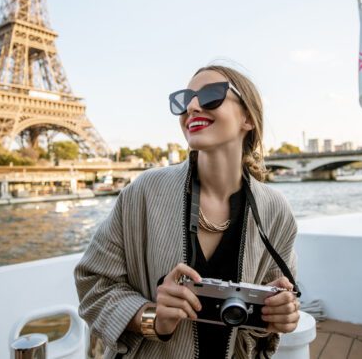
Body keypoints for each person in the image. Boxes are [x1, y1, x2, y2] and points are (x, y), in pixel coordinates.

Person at [75, 65, 300, 359]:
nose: (192, 107)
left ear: (248, 117)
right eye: (184, 99)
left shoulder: (275, 210)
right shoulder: (144, 192)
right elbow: (93, 284)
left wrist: (279, 317)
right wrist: (152, 317)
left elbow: (274, 306)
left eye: (210, 96)